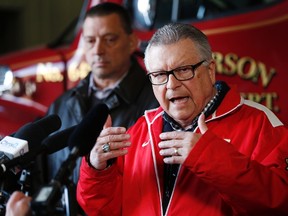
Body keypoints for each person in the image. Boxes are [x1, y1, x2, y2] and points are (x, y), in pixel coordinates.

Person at [76, 23, 288, 215]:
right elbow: (103, 210)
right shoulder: (141, 130)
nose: (171, 85)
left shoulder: (260, 123)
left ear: (210, 71)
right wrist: (97, 169)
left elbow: (280, 201)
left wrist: (209, 156)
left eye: (184, 70)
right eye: (159, 75)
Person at [42, 2, 158, 184]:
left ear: (132, 42)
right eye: (90, 41)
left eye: (109, 39)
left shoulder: (155, 103)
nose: (98, 50)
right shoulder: (61, 105)